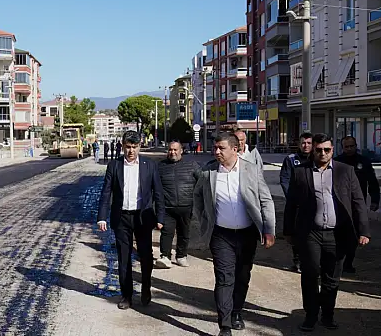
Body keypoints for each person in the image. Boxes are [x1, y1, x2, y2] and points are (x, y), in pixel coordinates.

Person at [284, 133, 370, 332]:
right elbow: (291, 205)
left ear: (333, 150)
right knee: (310, 275)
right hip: (310, 233)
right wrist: (288, 231)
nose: (323, 153)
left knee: (332, 278)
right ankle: (310, 316)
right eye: (319, 150)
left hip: (337, 234)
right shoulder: (301, 172)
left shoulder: (345, 171)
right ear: (313, 150)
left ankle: (328, 315)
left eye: (327, 150)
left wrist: (363, 230)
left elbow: (358, 202)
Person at [193, 133, 276, 336]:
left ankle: (237, 311)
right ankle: (225, 324)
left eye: (221, 148)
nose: (217, 152)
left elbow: (265, 200)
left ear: (235, 149)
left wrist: (269, 229)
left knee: (242, 276)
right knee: (224, 278)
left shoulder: (251, 169)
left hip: (247, 234)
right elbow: (197, 197)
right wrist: (204, 220)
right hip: (221, 235)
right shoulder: (208, 171)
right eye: (215, 148)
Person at [97, 130, 165, 310]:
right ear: (123, 146)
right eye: (128, 147)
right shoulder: (114, 165)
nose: (131, 151)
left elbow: (158, 193)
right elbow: (106, 193)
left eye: (134, 147)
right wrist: (101, 217)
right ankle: (126, 295)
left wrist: (161, 217)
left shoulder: (149, 165)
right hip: (121, 218)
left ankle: (146, 287)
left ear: (139, 147)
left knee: (145, 256)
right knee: (124, 257)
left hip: (143, 218)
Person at [333, 135, 379, 274]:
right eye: (346, 146)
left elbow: (372, 182)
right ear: (342, 148)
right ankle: (337, 260)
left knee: (354, 235)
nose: (349, 149)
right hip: (340, 205)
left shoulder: (363, 162)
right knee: (339, 234)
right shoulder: (337, 162)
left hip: (358, 204)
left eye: (351, 146)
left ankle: (348, 262)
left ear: (356, 145)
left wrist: (375, 200)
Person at [155, 141, 200, 269]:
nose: (172, 152)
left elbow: (202, 181)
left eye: (175, 150)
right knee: (167, 232)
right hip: (167, 207)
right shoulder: (160, 167)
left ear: (181, 151)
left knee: (184, 233)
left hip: (186, 206)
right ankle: (165, 256)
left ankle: (181, 256)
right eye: (170, 150)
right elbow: (154, 187)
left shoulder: (191, 165)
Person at [280, 132, 314, 273]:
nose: (306, 146)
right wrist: (293, 198)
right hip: (296, 204)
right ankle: (298, 260)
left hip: (313, 204)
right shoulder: (291, 159)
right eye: (303, 143)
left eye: (309, 143)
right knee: (295, 233)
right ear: (299, 144)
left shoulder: (317, 158)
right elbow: (285, 180)